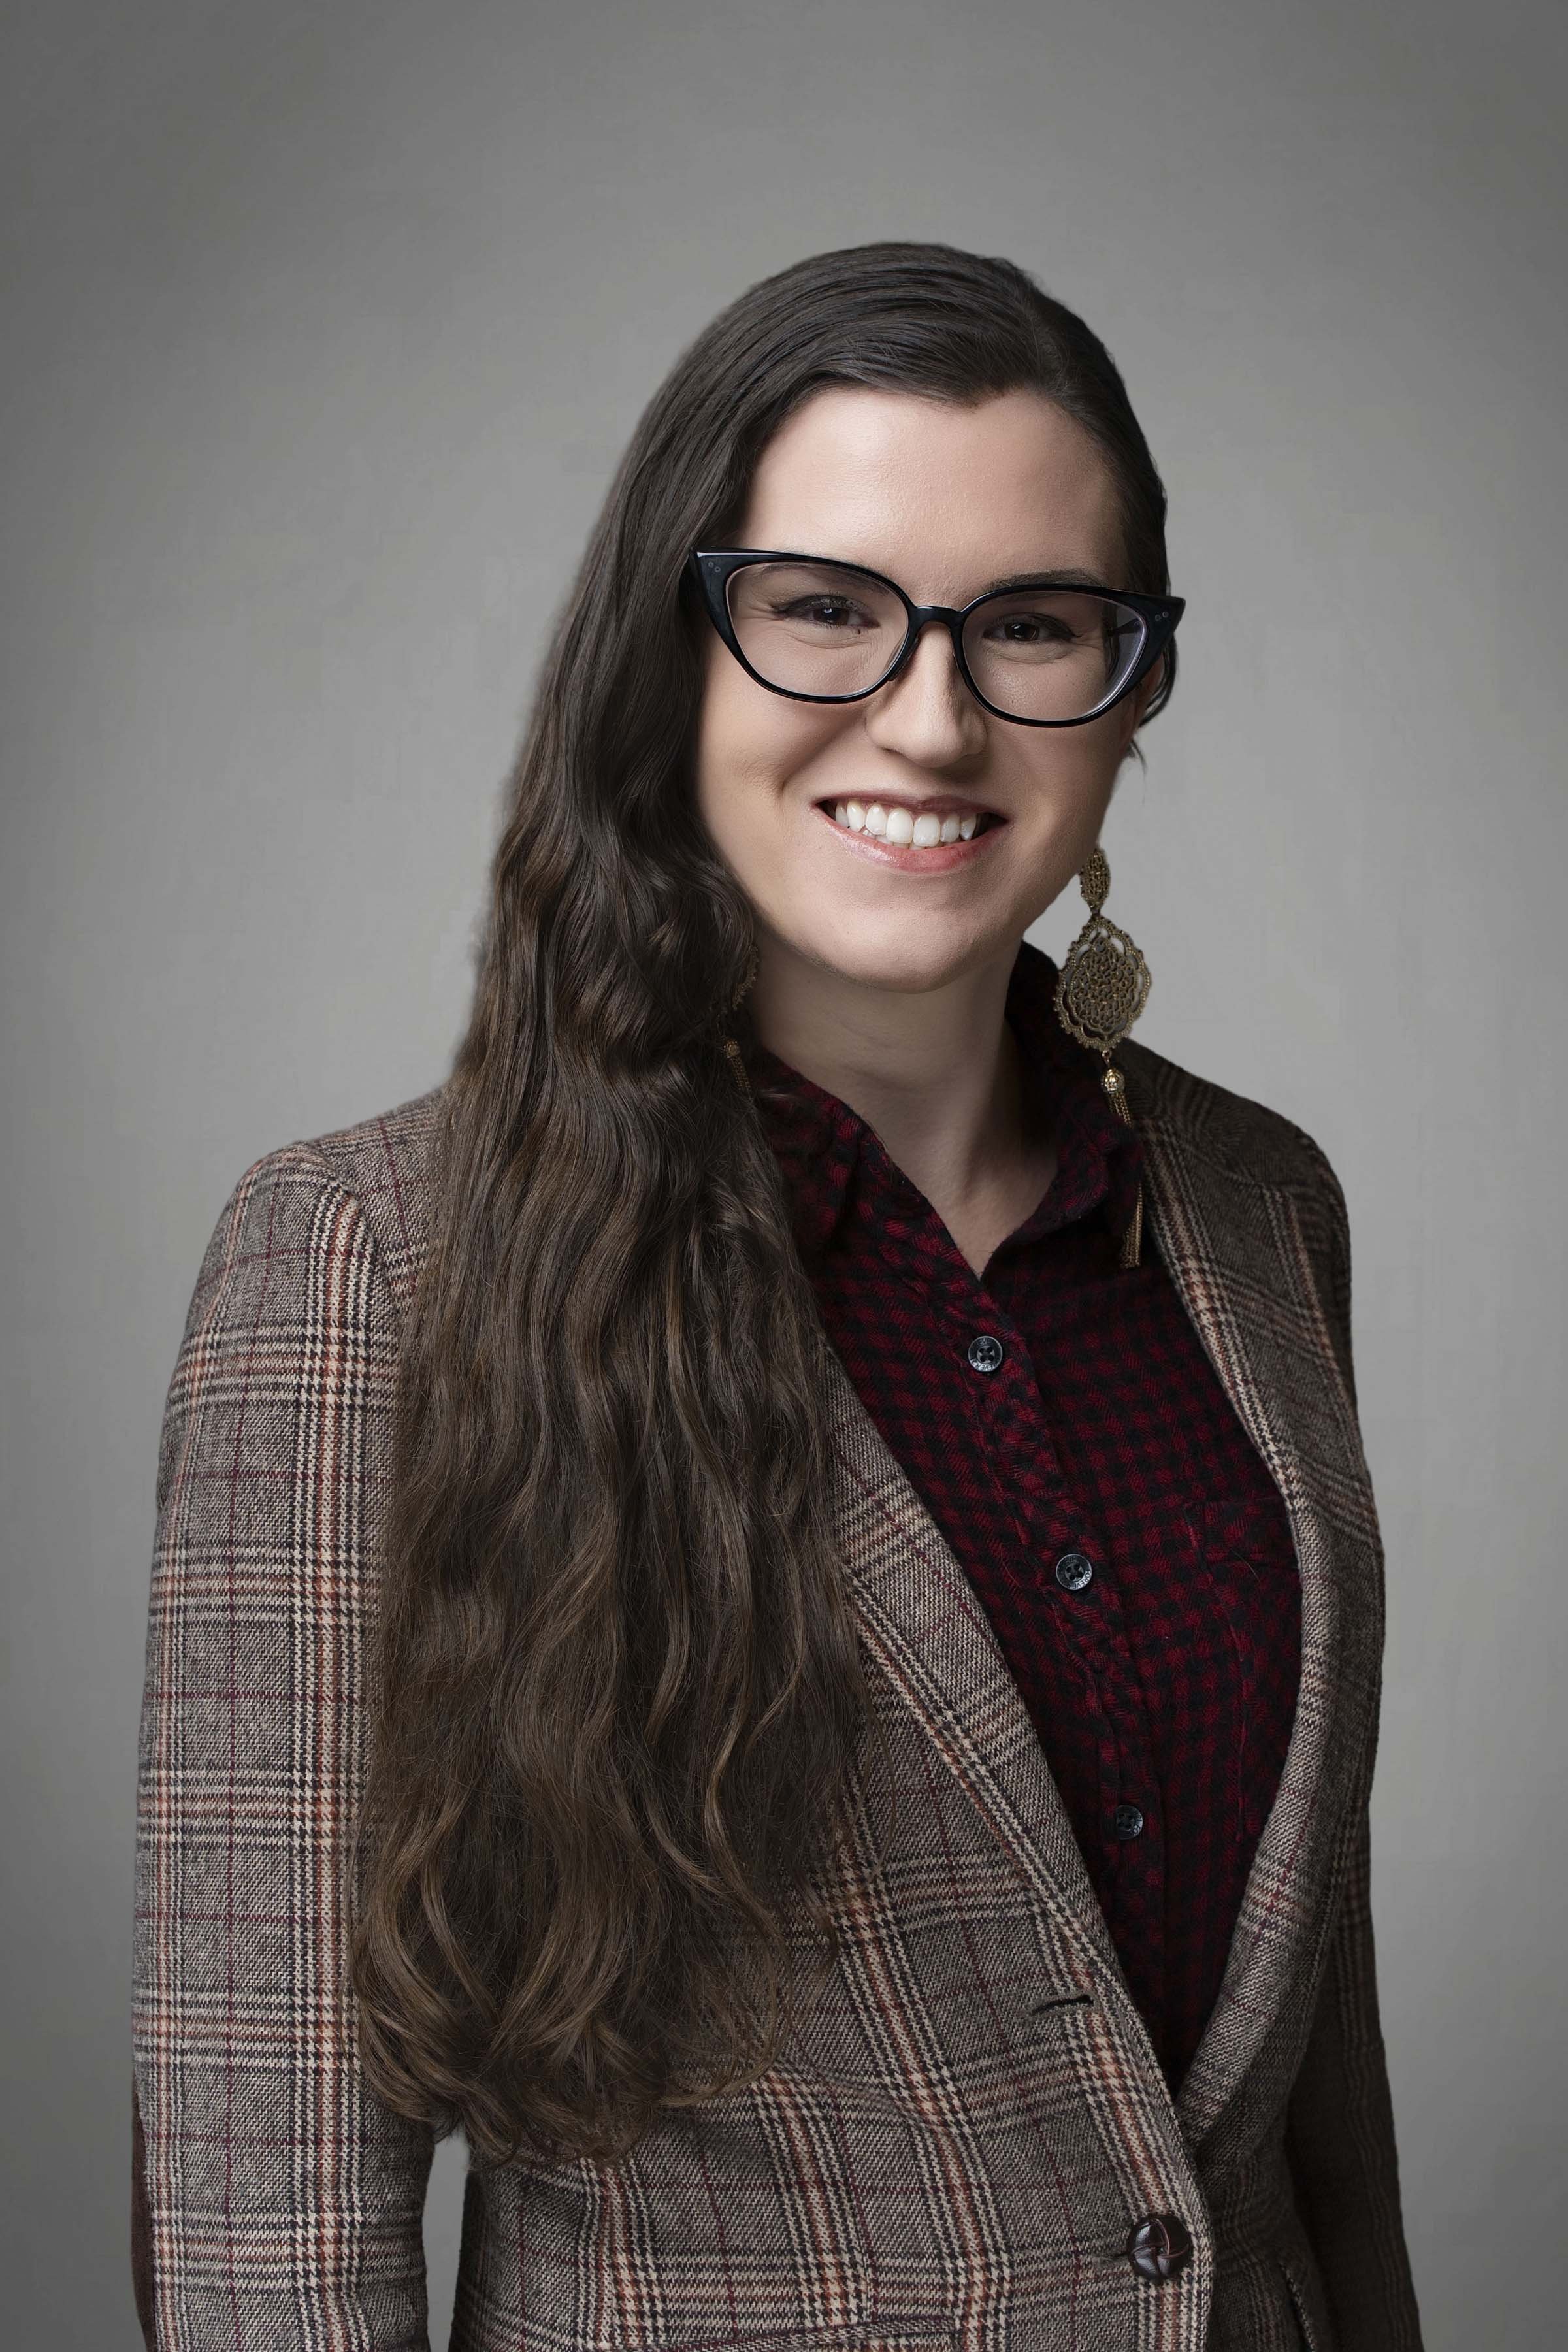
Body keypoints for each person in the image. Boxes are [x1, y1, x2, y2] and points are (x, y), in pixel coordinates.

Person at [131, 240, 1423, 2351]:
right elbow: (266, 2220)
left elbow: (1313, 2078)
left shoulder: (1259, 1209)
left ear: (1136, 689)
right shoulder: (368, 1265)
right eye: (827, 606)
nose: (931, 716)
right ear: (679, 653)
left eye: (1032, 624)